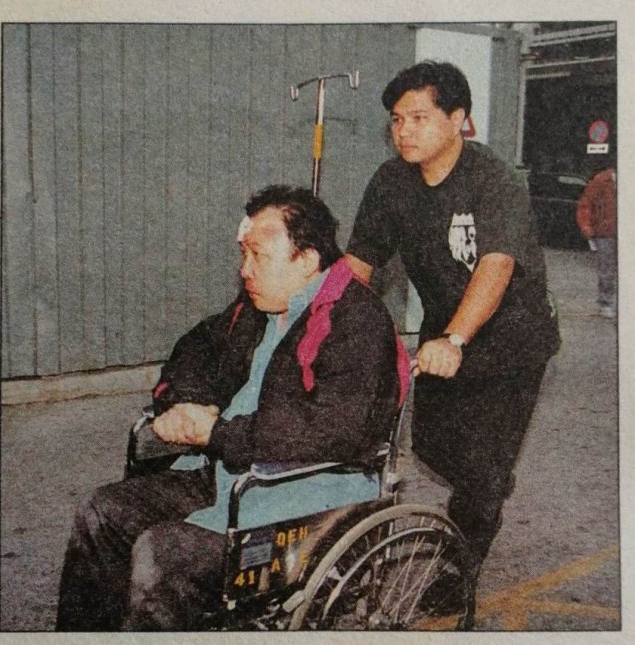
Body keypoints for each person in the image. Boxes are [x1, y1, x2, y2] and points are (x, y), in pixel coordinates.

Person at [55, 184, 409, 631]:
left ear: (306, 260)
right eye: (244, 255)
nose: (245, 270)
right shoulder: (262, 303)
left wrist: (218, 433)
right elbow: (199, 347)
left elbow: (332, 428)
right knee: (101, 512)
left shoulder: (356, 320)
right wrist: (185, 403)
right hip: (233, 471)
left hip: (310, 494)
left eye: (258, 256)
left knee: (162, 553)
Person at [345, 61, 560, 603]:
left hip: (512, 337)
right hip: (445, 329)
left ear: (458, 119)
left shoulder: (493, 180)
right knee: (434, 447)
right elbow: (359, 263)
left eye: (419, 117)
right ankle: (488, 481)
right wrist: (318, 317)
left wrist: (458, 339)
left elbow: (496, 266)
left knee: (481, 472)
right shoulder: (391, 182)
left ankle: (459, 568)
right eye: (397, 120)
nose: (404, 131)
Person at [576, 166, 617, 318]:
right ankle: (606, 303)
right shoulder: (601, 181)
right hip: (605, 231)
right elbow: (585, 205)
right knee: (606, 268)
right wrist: (587, 228)